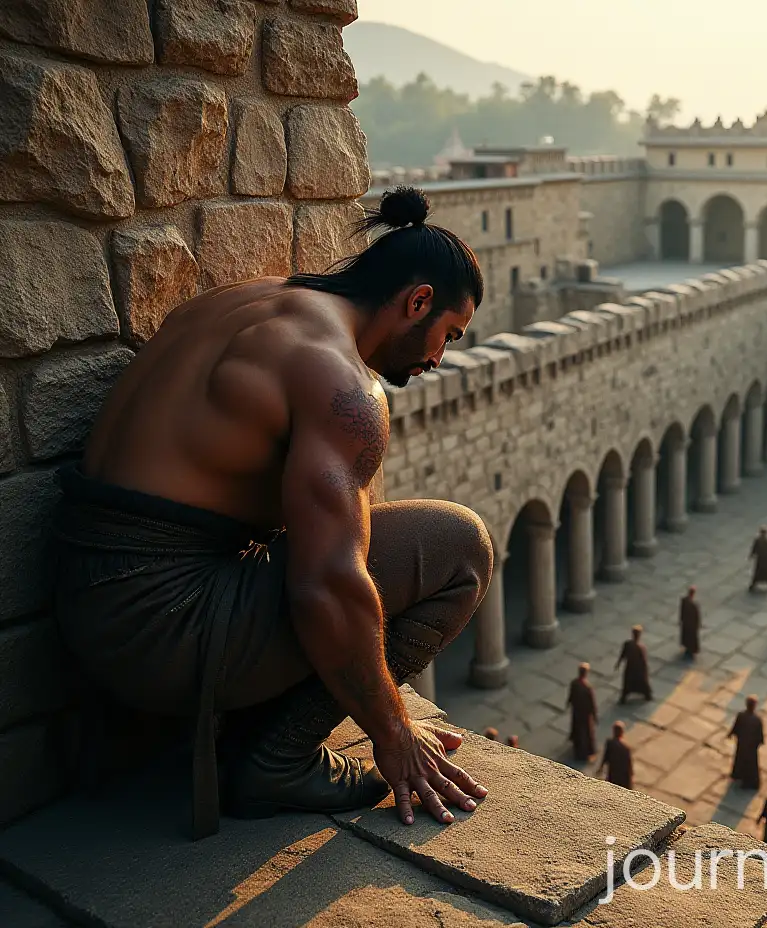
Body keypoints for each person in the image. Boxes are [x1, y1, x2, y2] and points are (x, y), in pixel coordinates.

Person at [52, 186, 492, 839]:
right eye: (448, 335)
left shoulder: (253, 301)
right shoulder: (343, 386)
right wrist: (391, 729)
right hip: (158, 630)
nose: (438, 358)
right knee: (459, 546)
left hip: (83, 600)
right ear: (417, 301)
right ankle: (276, 762)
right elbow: (328, 588)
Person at [729, 695, 764, 790]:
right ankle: (749, 782)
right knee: (750, 764)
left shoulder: (741, 715)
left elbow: (736, 727)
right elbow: (759, 734)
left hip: (741, 743)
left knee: (739, 760)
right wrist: (760, 742)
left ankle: (737, 775)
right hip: (751, 747)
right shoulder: (757, 720)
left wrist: (731, 734)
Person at [566, 663, 598, 761]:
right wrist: (595, 715)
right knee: (586, 733)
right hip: (585, 715)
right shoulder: (587, 687)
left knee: (577, 730)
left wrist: (568, 703)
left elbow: (570, 696)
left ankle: (577, 749)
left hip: (576, 712)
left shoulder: (574, 683)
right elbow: (592, 704)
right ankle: (585, 753)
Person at [616, 625, 653, 703]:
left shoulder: (628, 644)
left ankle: (623, 698)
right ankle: (647, 695)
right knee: (642, 682)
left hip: (630, 669)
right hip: (638, 670)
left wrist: (618, 664)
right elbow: (643, 660)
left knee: (627, 684)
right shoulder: (641, 647)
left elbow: (622, 655)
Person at [596, 721, 634, 789]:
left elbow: (605, 757)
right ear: (622, 733)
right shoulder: (626, 749)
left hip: (613, 773)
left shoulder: (610, 743)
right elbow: (629, 766)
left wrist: (600, 768)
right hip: (622, 776)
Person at [749, 526, 767, 591]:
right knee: (766, 571)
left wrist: (751, 555)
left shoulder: (759, 541)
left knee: (761, 571)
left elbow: (754, 548)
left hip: (762, 559)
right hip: (765, 559)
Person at [679, 586, 702, 658]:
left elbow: (681, 611)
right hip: (691, 626)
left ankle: (687, 649)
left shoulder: (684, 600)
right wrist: (698, 625)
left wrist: (681, 620)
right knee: (691, 639)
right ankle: (690, 651)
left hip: (686, 624)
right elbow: (697, 616)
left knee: (686, 637)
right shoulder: (694, 605)